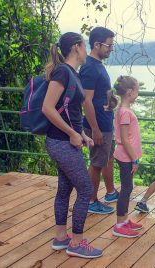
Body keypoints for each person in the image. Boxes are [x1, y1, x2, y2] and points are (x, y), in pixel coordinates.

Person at [42, 32, 103, 258]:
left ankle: (60, 237)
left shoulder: (71, 74)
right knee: (86, 189)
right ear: (76, 47)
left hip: (65, 140)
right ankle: (76, 243)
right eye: (85, 46)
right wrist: (71, 133)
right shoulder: (62, 72)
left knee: (65, 189)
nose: (86, 51)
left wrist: (81, 134)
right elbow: (47, 108)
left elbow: (69, 111)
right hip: (61, 142)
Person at [80, 27, 118, 215]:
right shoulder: (89, 67)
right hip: (99, 126)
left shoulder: (97, 64)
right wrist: (94, 129)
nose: (111, 49)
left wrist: (111, 101)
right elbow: (86, 99)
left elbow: (98, 95)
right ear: (97, 44)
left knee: (103, 159)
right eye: (109, 45)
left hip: (105, 121)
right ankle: (90, 201)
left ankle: (103, 195)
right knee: (96, 163)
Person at [111, 75, 143, 238]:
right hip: (126, 157)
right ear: (130, 92)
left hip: (126, 156)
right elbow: (124, 138)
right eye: (137, 90)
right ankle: (119, 225)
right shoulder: (124, 112)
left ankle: (124, 220)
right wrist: (134, 159)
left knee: (127, 187)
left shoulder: (124, 110)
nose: (138, 94)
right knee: (126, 189)